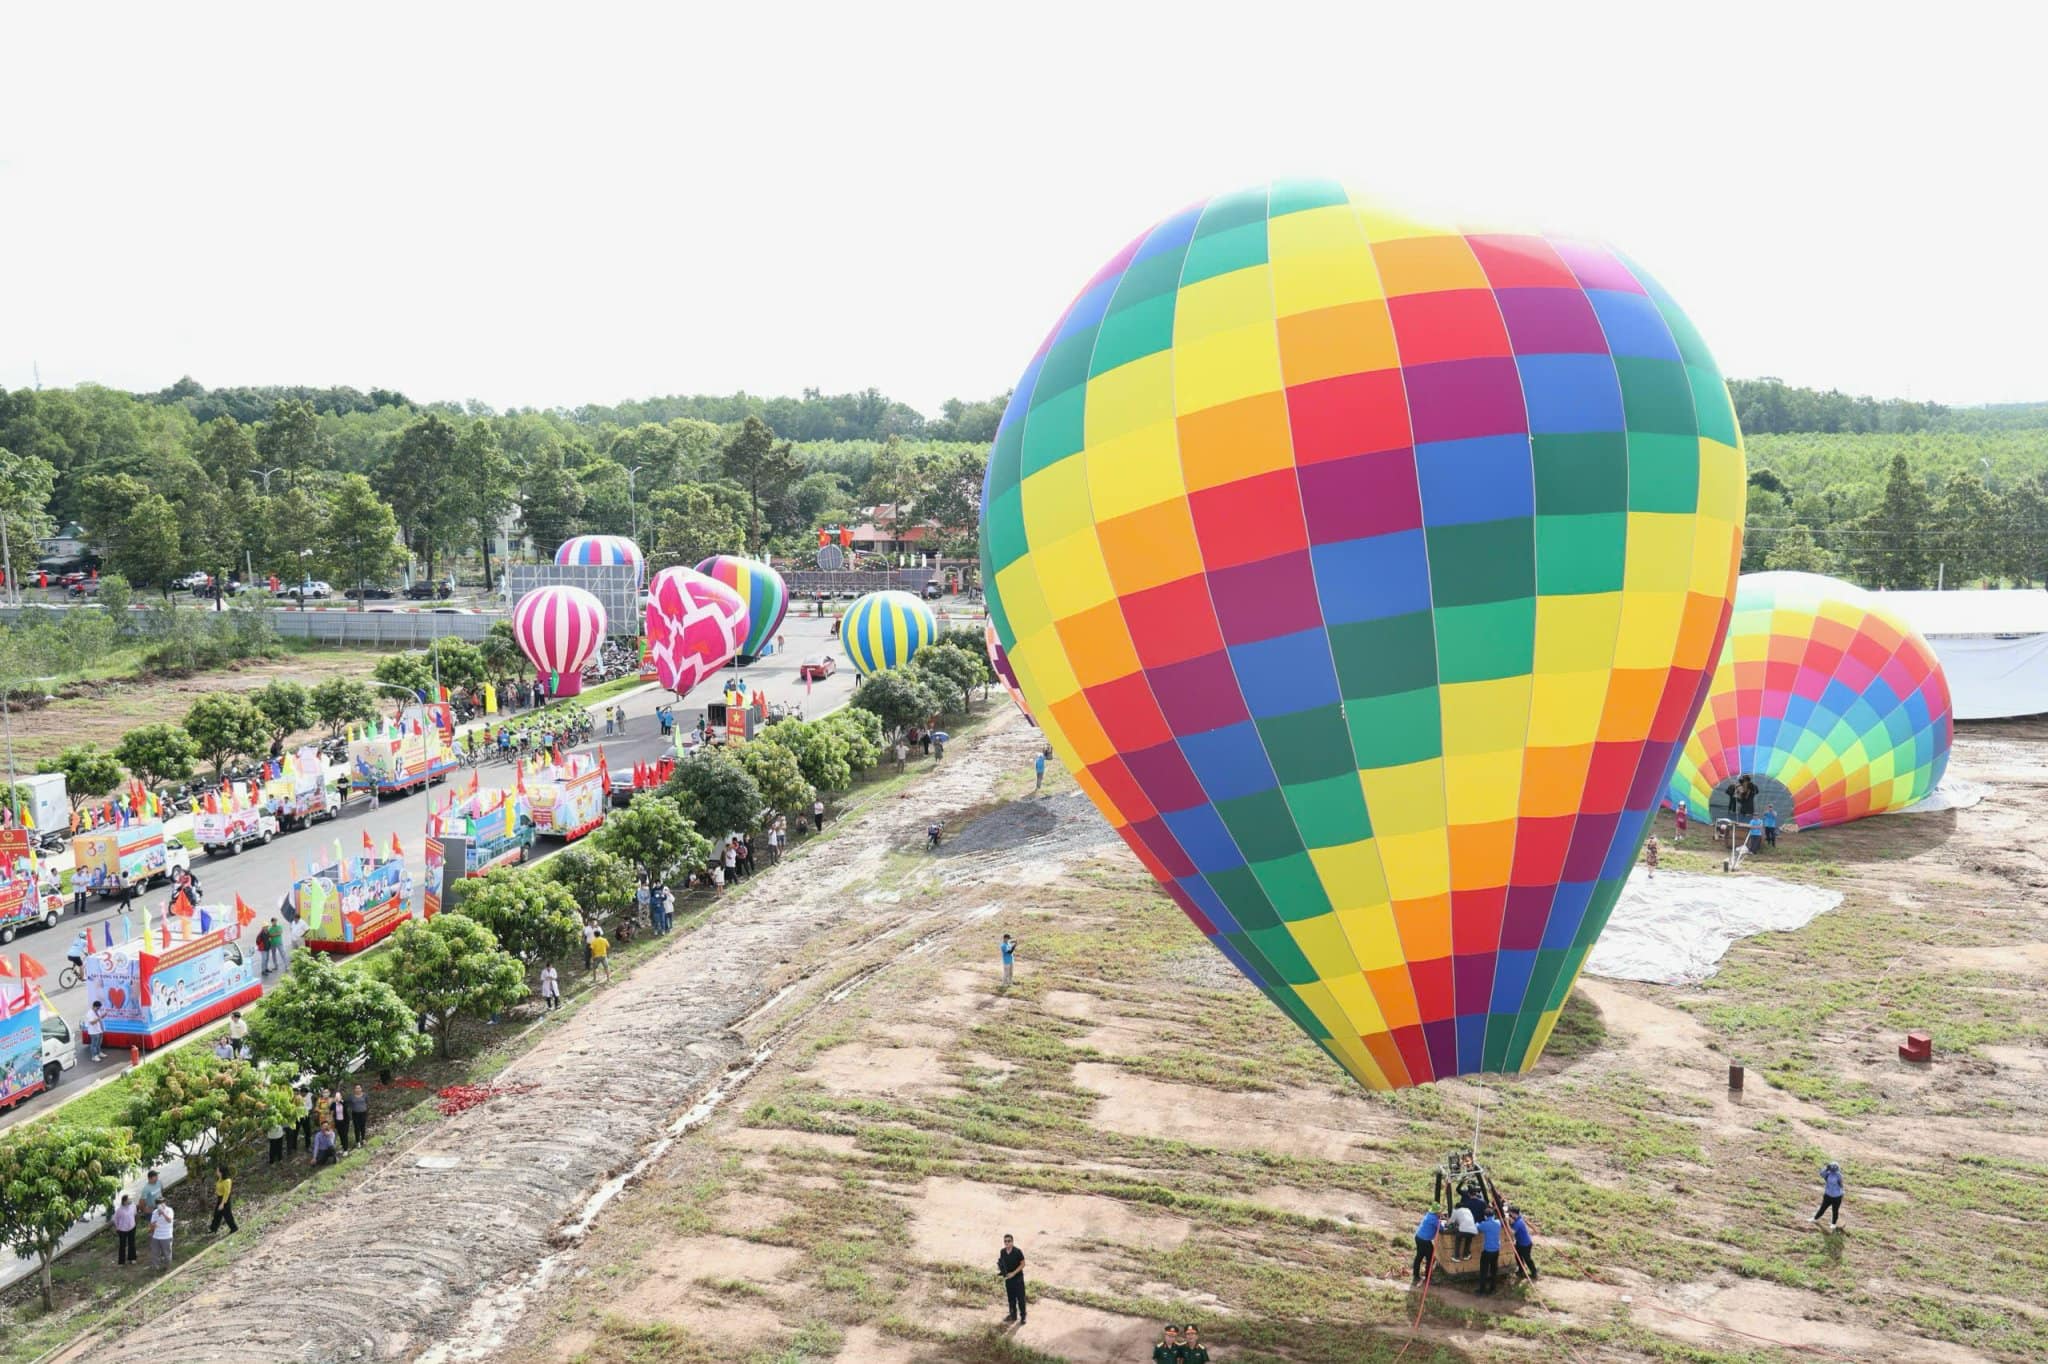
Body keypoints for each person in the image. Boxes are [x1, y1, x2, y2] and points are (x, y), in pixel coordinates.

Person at [997, 1233, 1027, 1324]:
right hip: (1008, 1279)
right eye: (1005, 1241)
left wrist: (1013, 1273)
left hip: (1018, 1279)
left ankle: (1023, 1317)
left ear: (1012, 1242)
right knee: (1011, 1299)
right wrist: (1002, 1271)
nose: (1007, 1243)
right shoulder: (1002, 1251)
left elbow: (1023, 1264)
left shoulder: (1017, 1251)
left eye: (1009, 1241)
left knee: (1021, 1299)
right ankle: (1013, 1315)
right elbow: (1003, 1263)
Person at [1412, 1206, 1440, 1287]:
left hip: (1418, 1237)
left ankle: (1416, 1275)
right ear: (1436, 1212)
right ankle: (1428, 1277)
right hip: (1425, 1240)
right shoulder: (1434, 1219)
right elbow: (1441, 1228)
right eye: (1440, 1212)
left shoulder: (1429, 1214)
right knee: (1431, 1258)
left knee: (1419, 1256)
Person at [1509, 1205, 1538, 1280]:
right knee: (1517, 1256)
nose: (1509, 1214)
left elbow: (1512, 1233)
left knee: (1527, 1258)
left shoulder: (1518, 1223)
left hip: (1525, 1244)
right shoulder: (1518, 1217)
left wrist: (1508, 1223)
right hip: (1519, 1242)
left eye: (1510, 1213)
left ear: (1514, 1213)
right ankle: (1521, 1270)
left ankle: (1534, 1272)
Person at [1476, 1210, 1502, 1294]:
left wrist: (1476, 1222)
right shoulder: (1498, 1222)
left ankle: (1482, 1290)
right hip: (1496, 1250)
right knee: (1493, 1270)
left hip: (1487, 1251)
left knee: (1483, 1271)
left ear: (1485, 1216)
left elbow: (1478, 1227)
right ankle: (1492, 1288)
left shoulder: (1485, 1225)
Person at [1814, 1161, 1844, 1230]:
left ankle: (1833, 1224)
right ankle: (1815, 1218)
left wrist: (1842, 1193)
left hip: (1837, 1197)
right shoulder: (1828, 1174)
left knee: (1835, 1210)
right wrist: (1826, 1168)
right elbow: (1821, 1174)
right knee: (1822, 1208)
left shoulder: (1838, 1175)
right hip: (1828, 1195)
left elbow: (1841, 1184)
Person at [210, 1164, 238, 1235]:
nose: (216, 1172)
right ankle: (213, 1229)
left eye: (217, 1171)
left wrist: (222, 1203)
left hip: (225, 1199)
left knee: (227, 1215)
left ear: (221, 1172)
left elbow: (227, 1193)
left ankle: (234, 1228)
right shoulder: (220, 1179)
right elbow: (218, 1187)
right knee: (217, 1214)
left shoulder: (227, 1181)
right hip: (220, 1198)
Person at [113, 1193, 139, 1266]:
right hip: (122, 1230)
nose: (130, 1200)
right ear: (124, 1201)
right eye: (129, 1199)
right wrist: (117, 1227)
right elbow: (115, 1219)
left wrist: (134, 1223)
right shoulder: (119, 1210)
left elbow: (135, 1214)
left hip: (131, 1227)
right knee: (122, 1245)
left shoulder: (133, 1206)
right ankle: (121, 1262)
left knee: (132, 1243)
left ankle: (132, 1258)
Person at [149, 1199, 176, 1269]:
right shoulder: (155, 1212)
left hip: (166, 1236)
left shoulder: (169, 1210)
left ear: (165, 1203)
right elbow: (152, 1223)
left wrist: (163, 1213)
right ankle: (155, 1267)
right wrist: (152, 1227)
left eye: (161, 1203)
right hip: (156, 1235)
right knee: (155, 1252)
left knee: (167, 1253)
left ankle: (168, 1267)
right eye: (158, 1204)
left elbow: (169, 1220)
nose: (160, 1205)